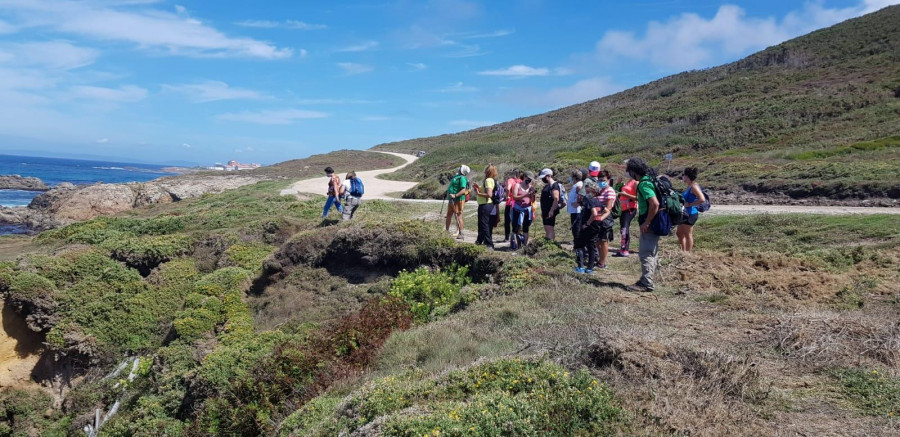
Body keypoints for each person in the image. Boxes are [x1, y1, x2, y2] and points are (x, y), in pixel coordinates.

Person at [625, 157, 660, 292]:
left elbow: (654, 203)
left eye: (629, 171)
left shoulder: (644, 184)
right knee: (652, 251)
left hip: (650, 222)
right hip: (655, 222)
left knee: (646, 253)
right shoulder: (650, 179)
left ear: (634, 171)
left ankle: (646, 283)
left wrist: (647, 222)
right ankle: (647, 278)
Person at [574, 179, 606, 274]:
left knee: (579, 245)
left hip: (588, 226)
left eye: (588, 191)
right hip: (596, 226)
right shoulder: (598, 201)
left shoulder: (590, 200)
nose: (586, 193)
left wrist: (587, 224)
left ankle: (580, 267)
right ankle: (590, 268)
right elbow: (607, 211)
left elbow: (594, 213)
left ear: (593, 191)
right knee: (591, 247)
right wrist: (601, 218)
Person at [677, 167, 706, 252]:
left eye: (683, 175)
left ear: (687, 176)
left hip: (691, 213)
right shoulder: (690, 186)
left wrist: (690, 204)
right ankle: (683, 251)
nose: (682, 177)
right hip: (685, 213)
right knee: (679, 233)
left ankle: (688, 253)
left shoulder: (694, 187)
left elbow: (702, 199)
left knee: (687, 234)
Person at [594, 170, 617, 269]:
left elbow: (608, 208)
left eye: (603, 180)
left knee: (603, 241)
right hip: (597, 218)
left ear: (608, 180)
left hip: (605, 219)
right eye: (599, 180)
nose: (601, 182)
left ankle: (602, 262)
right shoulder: (600, 190)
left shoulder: (610, 191)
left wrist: (600, 217)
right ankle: (599, 260)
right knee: (598, 241)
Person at [615, 163, 638, 257]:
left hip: (630, 209)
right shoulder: (628, 181)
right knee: (623, 228)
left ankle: (624, 250)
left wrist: (625, 194)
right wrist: (618, 184)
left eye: (628, 170)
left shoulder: (636, 182)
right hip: (623, 209)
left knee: (625, 228)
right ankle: (623, 248)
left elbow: (637, 198)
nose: (626, 172)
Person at [472, 164, 497, 249]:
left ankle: (489, 244)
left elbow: (489, 194)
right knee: (483, 224)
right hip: (487, 205)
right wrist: (478, 188)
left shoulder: (488, 180)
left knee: (484, 224)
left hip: (485, 205)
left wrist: (478, 193)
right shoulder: (491, 180)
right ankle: (479, 241)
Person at [511, 172, 535, 250]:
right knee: (515, 227)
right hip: (517, 209)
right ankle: (514, 245)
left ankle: (524, 246)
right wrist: (525, 195)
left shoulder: (531, 187)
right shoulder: (518, 185)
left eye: (530, 179)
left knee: (526, 228)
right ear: (524, 177)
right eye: (528, 179)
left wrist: (532, 194)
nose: (529, 181)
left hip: (527, 210)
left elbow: (533, 200)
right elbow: (514, 197)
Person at [445, 165, 470, 240]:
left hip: (458, 200)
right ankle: (446, 231)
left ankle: (461, 233)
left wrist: (455, 195)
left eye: (460, 167)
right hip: (452, 199)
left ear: (462, 170)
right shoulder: (457, 176)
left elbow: (463, 190)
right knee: (449, 215)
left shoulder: (462, 178)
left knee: (459, 216)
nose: (459, 168)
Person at [539, 168, 562, 240]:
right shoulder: (548, 185)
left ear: (548, 176)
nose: (543, 179)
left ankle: (550, 243)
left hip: (550, 211)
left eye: (544, 177)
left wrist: (552, 210)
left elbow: (556, 198)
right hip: (546, 210)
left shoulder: (554, 185)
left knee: (549, 228)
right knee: (547, 227)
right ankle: (548, 242)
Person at [567, 169, 584, 253]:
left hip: (577, 211)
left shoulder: (578, 185)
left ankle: (578, 248)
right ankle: (576, 247)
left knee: (577, 230)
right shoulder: (576, 185)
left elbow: (582, 194)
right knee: (575, 230)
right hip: (573, 211)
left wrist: (578, 203)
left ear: (574, 177)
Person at [503, 169, 522, 242]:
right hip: (518, 202)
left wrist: (507, 196)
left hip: (510, 202)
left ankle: (507, 237)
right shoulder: (520, 181)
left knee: (507, 220)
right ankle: (516, 235)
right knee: (517, 220)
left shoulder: (510, 180)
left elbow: (508, 188)